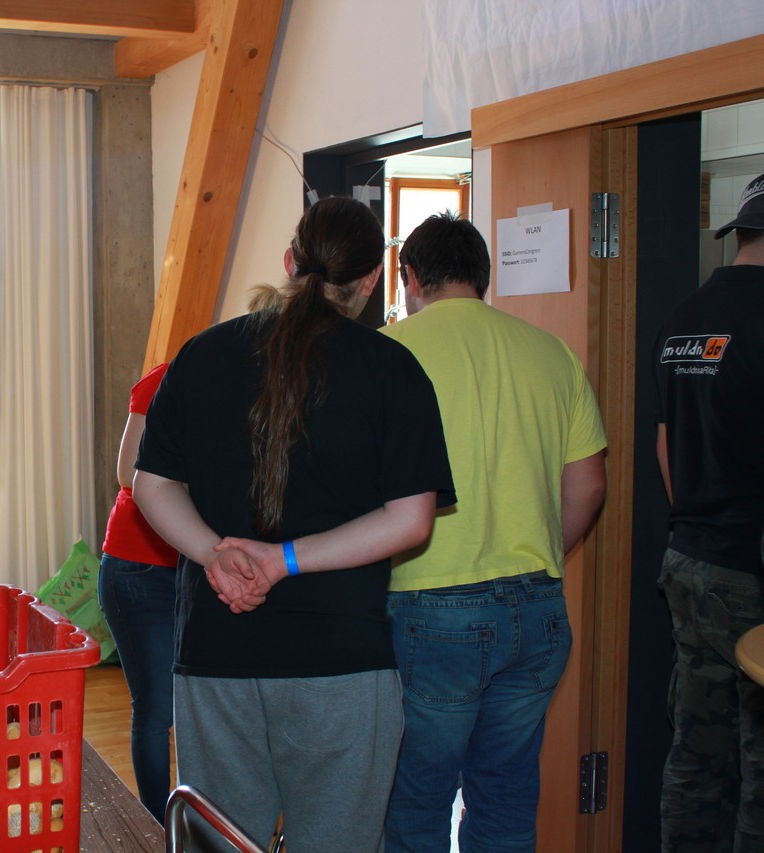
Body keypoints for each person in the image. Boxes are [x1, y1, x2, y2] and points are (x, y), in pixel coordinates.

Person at [133, 196, 455, 851]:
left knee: (221, 843)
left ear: (289, 262)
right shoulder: (392, 369)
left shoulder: (202, 355)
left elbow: (150, 484)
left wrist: (215, 554)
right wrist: (282, 560)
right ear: (371, 279)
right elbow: (411, 519)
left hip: (217, 651)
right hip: (340, 660)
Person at [379, 211, 608, 852]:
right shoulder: (552, 353)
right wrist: (542, 549)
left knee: (415, 806)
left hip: (429, 607)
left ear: (410, 276)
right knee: (506, 800)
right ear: (483, 277)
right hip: (537, 607)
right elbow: (590, 485)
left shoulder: (388, 351)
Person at [653, 173, 764, 852]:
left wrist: (698, 518)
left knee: (696, 752)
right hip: (750, 571)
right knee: (760, 764)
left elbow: (665, 446)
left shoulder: (684, 317)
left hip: (690, 560)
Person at [97, 361, 179, 823]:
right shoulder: (166, 378)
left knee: (196, 706)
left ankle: (194, 821)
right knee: (156, 708)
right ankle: (156, 827)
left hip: (197, 570)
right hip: (139, 567)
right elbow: (128, 474)